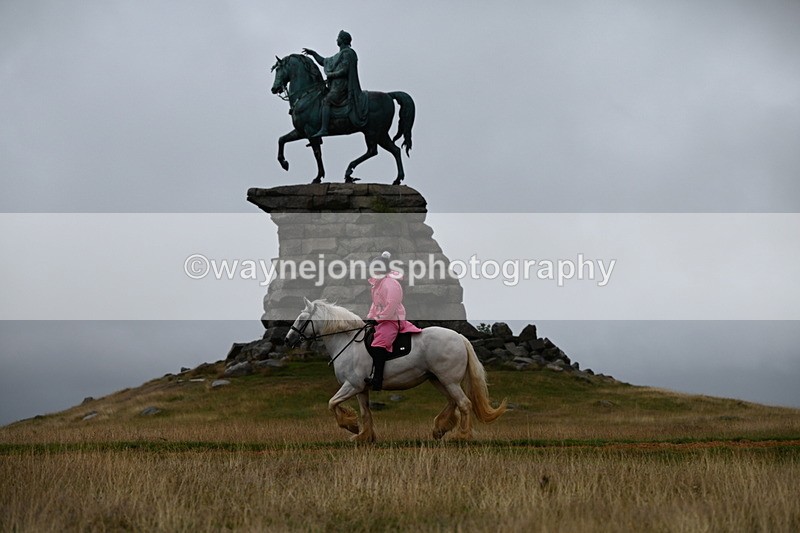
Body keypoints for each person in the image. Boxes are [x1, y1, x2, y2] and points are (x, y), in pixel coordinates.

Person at [365, 252, 421, 391]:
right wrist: (370, 317)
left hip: (391, 320)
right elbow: (375, 305)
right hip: (381, 319)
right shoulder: (377, 284)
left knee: (379, 344)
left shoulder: (390, 283)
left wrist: (378, 319)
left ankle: (377, 379)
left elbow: (392, 304)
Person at [302, 30, 369, 137]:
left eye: (338, 38)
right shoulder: (338, 55)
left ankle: (324, 129)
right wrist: (313, 53)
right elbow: (324, 61)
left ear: (342, 40)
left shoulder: (348, 53)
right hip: (335, 86)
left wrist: (332, 75)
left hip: (342, 86)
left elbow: (345, 70)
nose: (336, 39)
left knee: (326, 100)